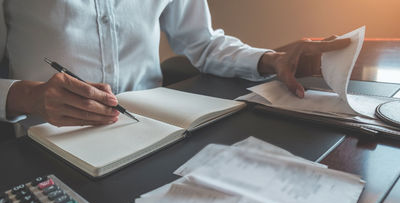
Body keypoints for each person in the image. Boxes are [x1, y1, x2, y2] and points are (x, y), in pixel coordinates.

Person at [0, 0, 349, 127]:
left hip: (151, 130)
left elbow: (203, 42)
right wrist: (29, 97)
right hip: (39, 138)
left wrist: (271, 60)